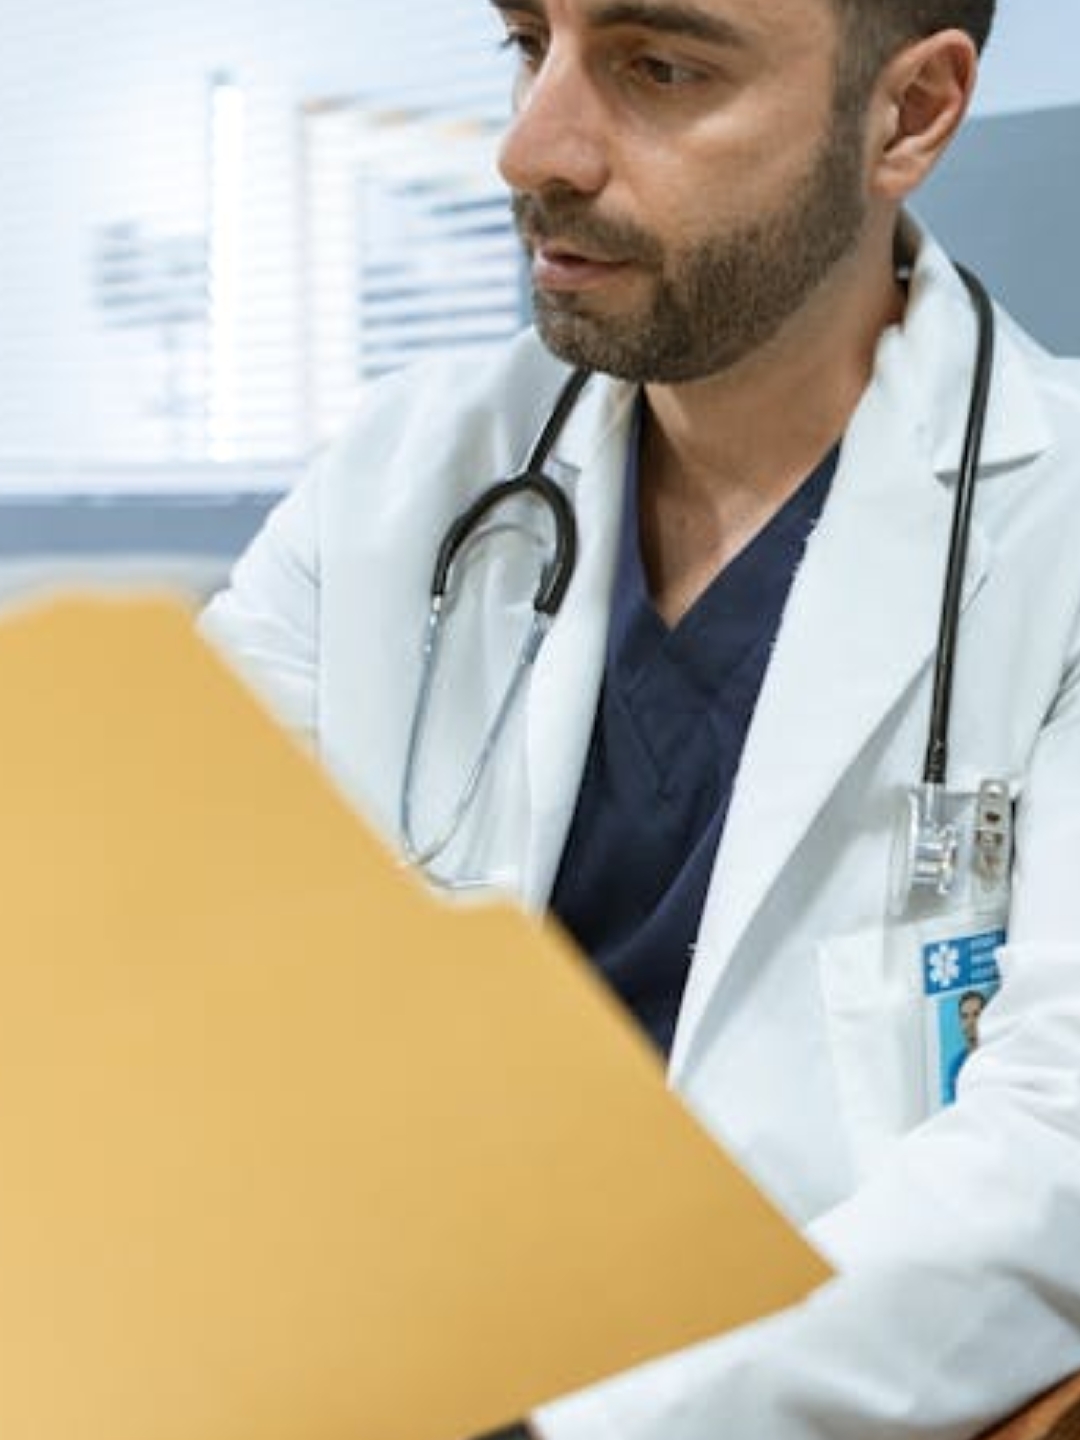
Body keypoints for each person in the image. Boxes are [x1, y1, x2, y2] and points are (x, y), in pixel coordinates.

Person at [202, 0, 1080, 1435]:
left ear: (907, 114)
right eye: (525, 41)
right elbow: (171, 943)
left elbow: (1057, 1156)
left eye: (659, 67)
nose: (528, 146)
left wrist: (565, 1420)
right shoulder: (399, 480)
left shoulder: (1059, 530)